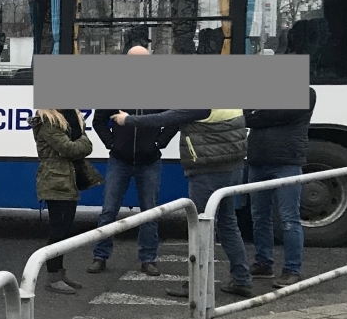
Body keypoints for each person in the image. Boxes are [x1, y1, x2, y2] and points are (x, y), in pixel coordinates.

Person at [114, 107, 252, 298]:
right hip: (233, 167)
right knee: (228, 224)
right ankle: (241, 279)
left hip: (207, 169)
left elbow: (165, 118)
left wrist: (129, 120)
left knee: (200, 228)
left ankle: (195, 286)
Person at [89, 46, 174, 276]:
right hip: (120, 160)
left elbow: (174, 119)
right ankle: (100, 256)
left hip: (150, 161)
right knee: (108, 211)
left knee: (150, 212)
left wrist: (160, 143)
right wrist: (111, 144)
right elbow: (98, 121)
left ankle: (148, 259)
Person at [245, 87, 318, 287]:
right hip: (257, 162)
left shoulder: (306, 93)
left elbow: (271, 115)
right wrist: (256, 114)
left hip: (287, 162)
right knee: (259, 216)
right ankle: (263, 263)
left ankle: (292, 269)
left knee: (289, 218)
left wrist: (257, 114)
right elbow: (245, 116)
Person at [32, 107, 99, 294]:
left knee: (65, 230)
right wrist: (85, 140)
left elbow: (78, 148)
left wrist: (81, 143)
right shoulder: (47, 121)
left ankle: (60, 274)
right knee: (58, 231)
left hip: (67, 181)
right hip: (55, 181)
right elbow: (69, 148)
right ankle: (52, 278)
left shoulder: (70, 117)